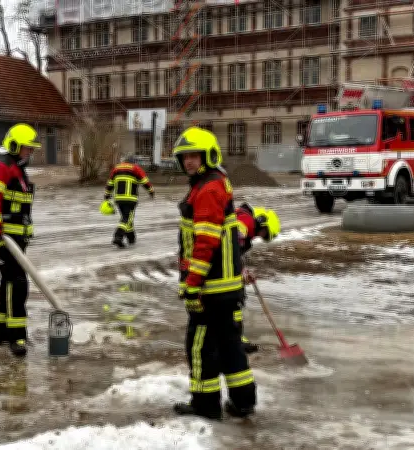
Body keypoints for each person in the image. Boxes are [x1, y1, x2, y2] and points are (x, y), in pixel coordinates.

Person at [171, 126, 256, 420]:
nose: (189, 162)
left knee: (200, 346)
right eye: (184, 158)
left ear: (208, 155)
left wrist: (192, 284)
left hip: (210, 288)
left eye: (194, 156)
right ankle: (244, 401)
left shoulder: (207, 189)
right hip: (226, 286)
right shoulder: (218, 183)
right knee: (231, 345)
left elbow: (205, 243)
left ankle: (205, 405)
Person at [0, 123, 40, 357]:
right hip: (5, 237)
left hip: (16, 237)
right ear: (15, 146)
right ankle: (16, 336)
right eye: (27, 148)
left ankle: (0, 332)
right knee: (17, 284)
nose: (30, 153)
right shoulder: (1, 167)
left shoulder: (17, 168)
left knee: (9, 281)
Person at [234, 202, 281, 354]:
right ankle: (234, 339)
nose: (260, 236)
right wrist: (240, 271)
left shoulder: (246, 221)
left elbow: (236, 251)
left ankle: (234, 337)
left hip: (225, 265)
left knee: (234, 301)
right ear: (261, 221)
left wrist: (243, 271)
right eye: (264, 233)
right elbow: (232, 244)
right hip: (220, 266)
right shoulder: (245, 220)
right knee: (234, 299)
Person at [102, 155, 155, 248]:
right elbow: (145, 181)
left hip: (118, 199)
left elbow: (110, 183)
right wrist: (151, 191)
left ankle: (131, 238)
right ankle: (118, 237)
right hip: (130, 199)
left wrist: (107, 195)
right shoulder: (135, 168)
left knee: (126, 218)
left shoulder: (116, 169)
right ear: (133, 162)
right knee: (127, 218)